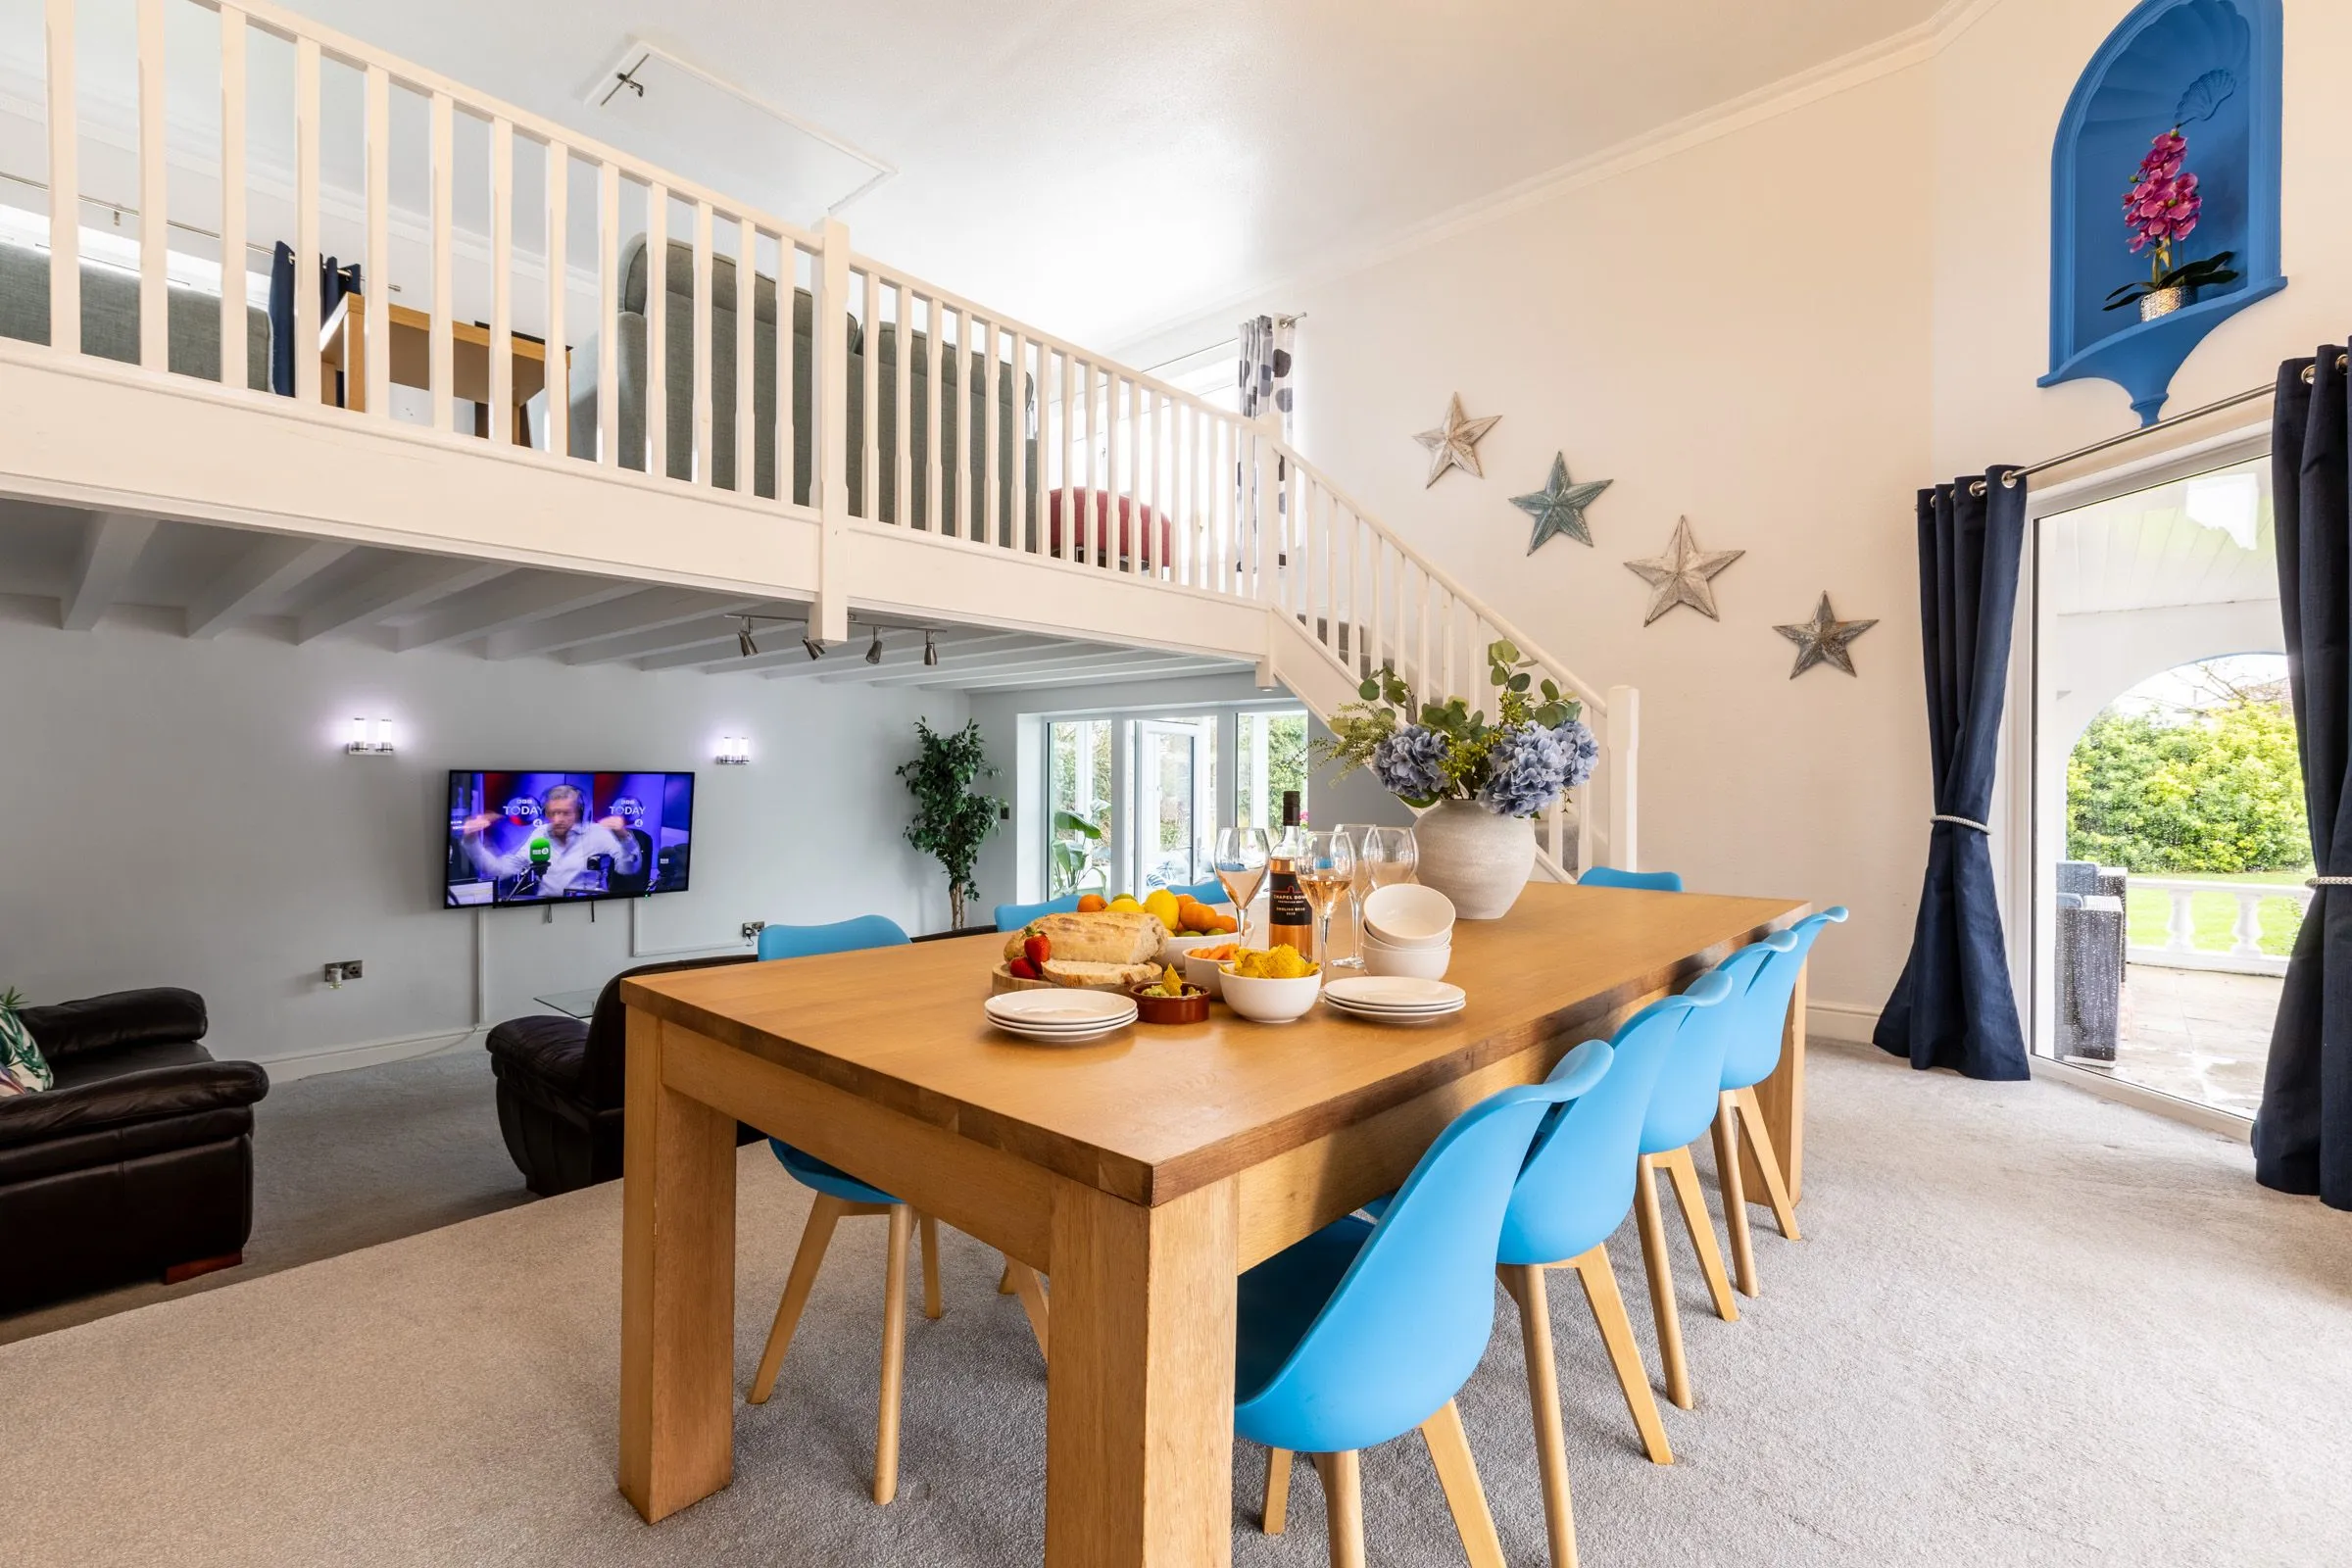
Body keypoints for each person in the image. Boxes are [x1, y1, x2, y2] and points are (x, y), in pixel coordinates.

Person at [459, 783, 641, 899]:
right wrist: (471, 839)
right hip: (545, 911)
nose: (558, 819)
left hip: (588, 910)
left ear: (579, 812)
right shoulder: (540, 834)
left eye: (565, 813)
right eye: (553, 813)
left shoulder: (597, 833)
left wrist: (624, 837)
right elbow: (500, 869)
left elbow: (628, 868)